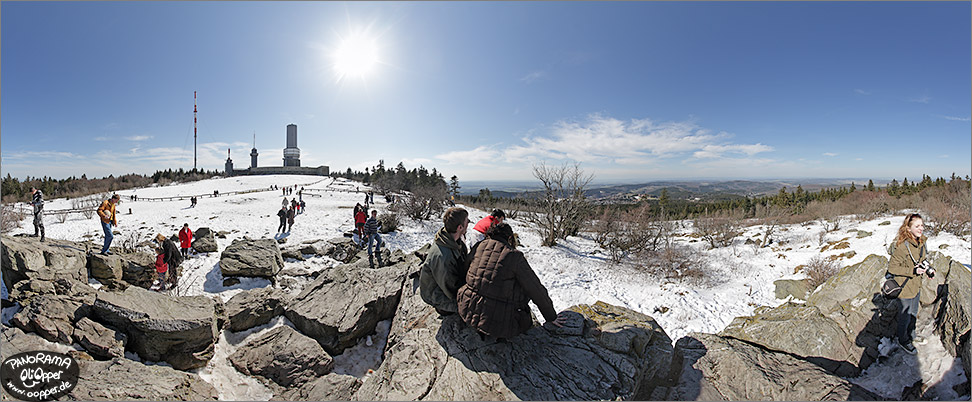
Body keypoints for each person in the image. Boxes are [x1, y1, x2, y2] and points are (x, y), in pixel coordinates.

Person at [457, 223, 567, 340]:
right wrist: (551, 317)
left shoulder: (480, 245)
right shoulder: (514, 256)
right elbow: (535, 289)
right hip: (497, 322)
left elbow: (465, 269)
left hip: (466, 310)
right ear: (509, 238)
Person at [888, 213, 930, 355]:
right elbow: (892, 268)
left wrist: (929, 270)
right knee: (905, 316)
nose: (921, 228)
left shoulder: (922, 242)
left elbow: (923, 260)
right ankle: (903, 340)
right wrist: (913, 270)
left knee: (913, 313)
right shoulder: (903, 247)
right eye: (917, 226)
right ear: (909, 228)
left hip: (916, 285)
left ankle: (911, 336)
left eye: (922, 225)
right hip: (904, 288)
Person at [419, 207, 470, 316]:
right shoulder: (444, 257)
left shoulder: (453, 241)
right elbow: (451, 290)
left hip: (448, 285)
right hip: (438, 296)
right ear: (460, 227)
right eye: (467, 221)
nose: (469, 223)